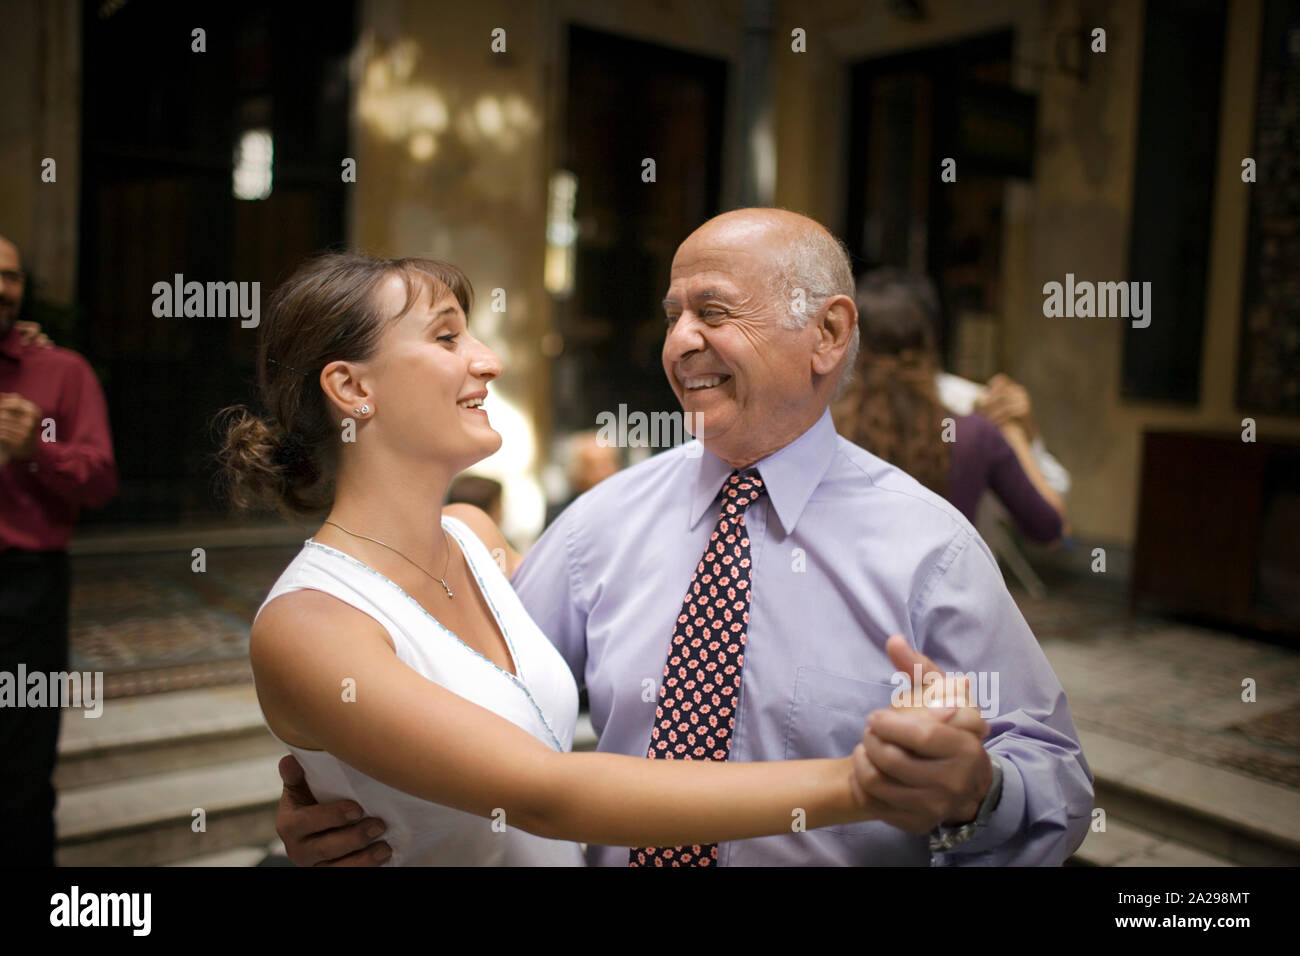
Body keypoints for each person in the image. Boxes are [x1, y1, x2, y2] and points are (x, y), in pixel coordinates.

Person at [276, 210, 1092, 867]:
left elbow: (1057, 778)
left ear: (829, 334)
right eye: (673, 316)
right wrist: (350, 791)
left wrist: (975, 792)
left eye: (715, 313)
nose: (678, 343)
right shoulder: (601, 526)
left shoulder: (931, 550)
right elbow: (509, 738)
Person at [0, 233, 119, 866]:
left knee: (20, 767)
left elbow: (101, 480)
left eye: (11, 276)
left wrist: (36, 452)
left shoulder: (59, 371)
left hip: (26, 588)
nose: (2, 287)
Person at [832, 280, 1064, 542]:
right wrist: (1014, 431)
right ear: (930, 350)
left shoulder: (827, 431)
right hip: (949, 582)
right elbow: (1049, 527)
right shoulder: (974, 436)